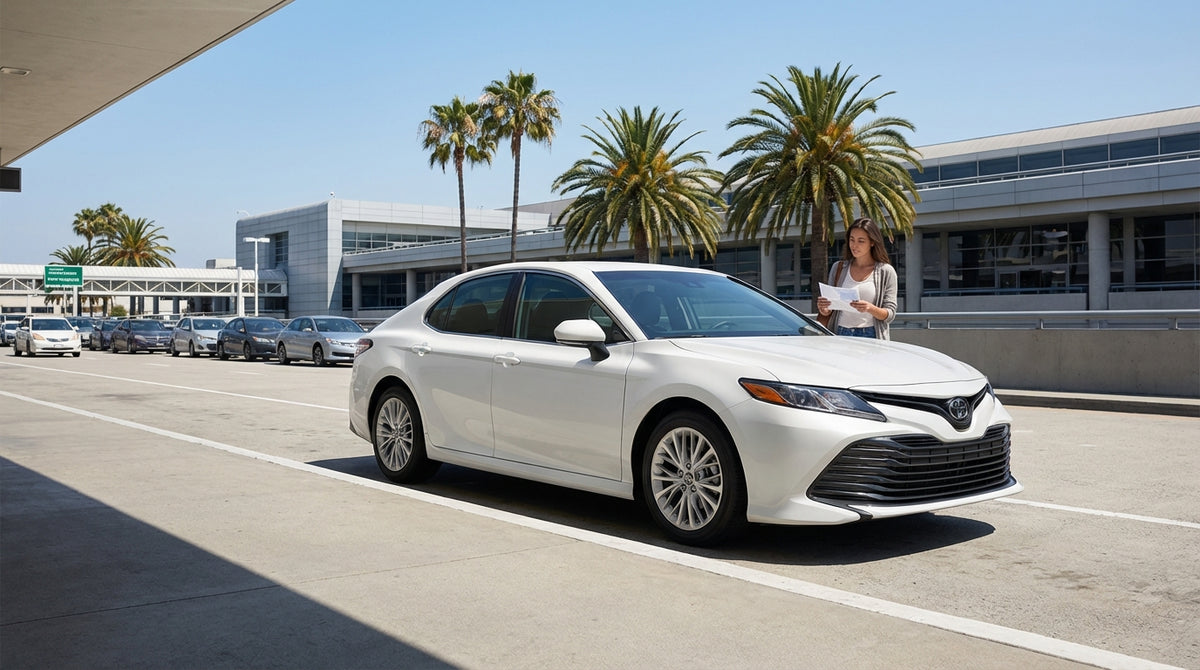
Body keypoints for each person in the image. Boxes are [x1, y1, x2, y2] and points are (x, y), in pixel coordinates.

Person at [816, 217, 898, 340]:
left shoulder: (886, 271)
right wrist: (824, 309)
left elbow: (890, 314)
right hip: (840, 333)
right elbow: (831, 310)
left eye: (861, 241)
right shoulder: (838, 268)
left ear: (872, 242)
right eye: (852, 240)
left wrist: (870, 308)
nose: (854, 245)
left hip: (871, 335)